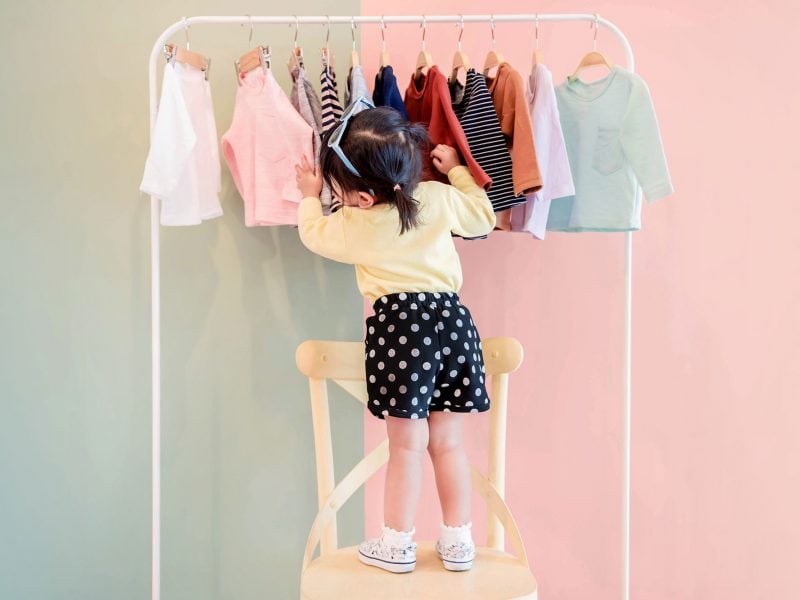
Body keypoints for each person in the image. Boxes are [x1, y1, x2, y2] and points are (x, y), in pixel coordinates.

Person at [294, 100, 496, 574]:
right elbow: (483, 216)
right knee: (448, 444)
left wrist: (309, 195)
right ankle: (459, 542)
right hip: (454, 324)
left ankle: (398, 544)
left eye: (339, 192)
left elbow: (312, 234)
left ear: (363, 198)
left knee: (406, 445)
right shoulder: (438, 198)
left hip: (401, 330)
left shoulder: (355, 224)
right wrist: (458, 170)